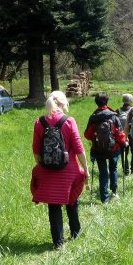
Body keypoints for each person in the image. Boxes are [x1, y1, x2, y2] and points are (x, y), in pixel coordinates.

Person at [31, 90, 89, 249]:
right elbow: (78, 148)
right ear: (63, 104)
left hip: (48, 171)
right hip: (69, 170)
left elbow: (36, 149)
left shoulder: (39, 122)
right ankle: (75, 232)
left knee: (54, 206)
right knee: (72, 201)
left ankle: (58, 242)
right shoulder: (69, 121)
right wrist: (86, 169)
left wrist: (42, 166)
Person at [84, 92, 126, 203]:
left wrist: (95, 136)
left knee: (103, 173)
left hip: (98, 150)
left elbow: (87, 135)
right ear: (107, 102)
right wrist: (123, 143)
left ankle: (104, 198)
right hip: (113, 149)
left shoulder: (93, 117)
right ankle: (114, 192)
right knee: (114, 169)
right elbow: (120, 133)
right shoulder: (113, 115)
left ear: (96, 103)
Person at [116, 93, 133, 176]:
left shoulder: (117, 110)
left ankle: (126, 170)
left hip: (122, 135)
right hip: (132, 134)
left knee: (124, 153)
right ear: (131, 101)